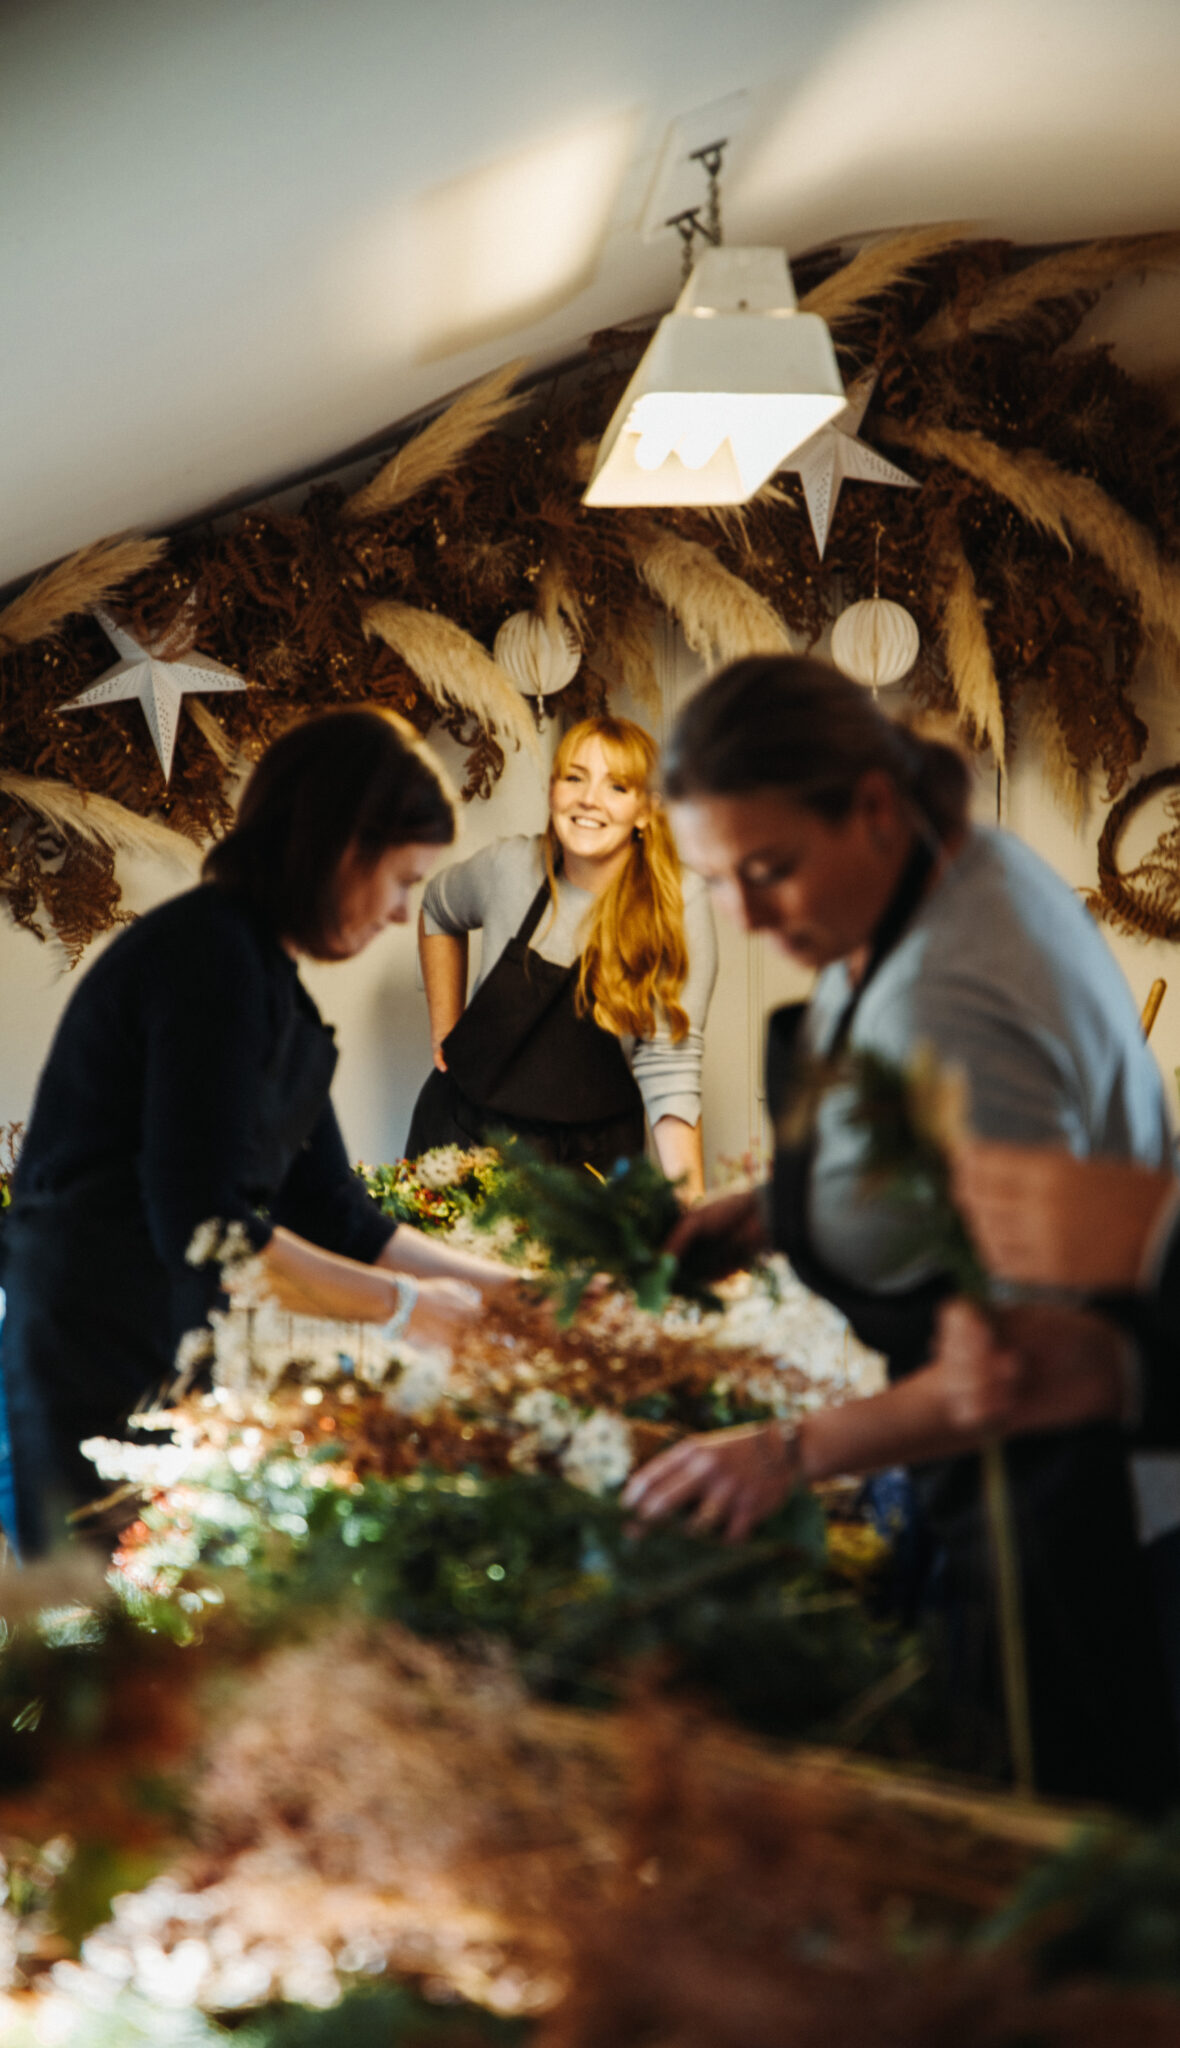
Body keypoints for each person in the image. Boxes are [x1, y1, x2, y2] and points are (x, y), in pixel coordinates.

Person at [623, 654, 1179, 1809]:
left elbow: (1023, 1367)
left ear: (871, 806)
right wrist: (771, 1211)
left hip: (1064, 1512)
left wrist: (779, 1454)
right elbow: (921, 1151)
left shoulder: (952, 995)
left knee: (1053, 1832)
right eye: (716, 880)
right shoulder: (942, 864)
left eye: (770, 869)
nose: (748, 915)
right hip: (1001, 1462)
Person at [0, 708, 520, 1559]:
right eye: (401, 881)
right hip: (89, 1351)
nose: (402, 914)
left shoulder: (274, 988)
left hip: (172, 1341)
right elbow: (208, 1228)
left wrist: (512, 1296)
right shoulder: (208, 959)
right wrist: (408, 1310)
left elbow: (339, 1216)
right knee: (103, 1615)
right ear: (343, 847)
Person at [406, 715, 717, 1197]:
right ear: (553, 790)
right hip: (468, 1138)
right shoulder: (508, 868)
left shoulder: (679, 900)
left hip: (595, 1157)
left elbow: (670, 1066)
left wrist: (691, 1206)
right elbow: (436, 909)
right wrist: (445, 1031)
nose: (589, 799)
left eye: (617, 786)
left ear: (646, 811)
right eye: (574, 778)